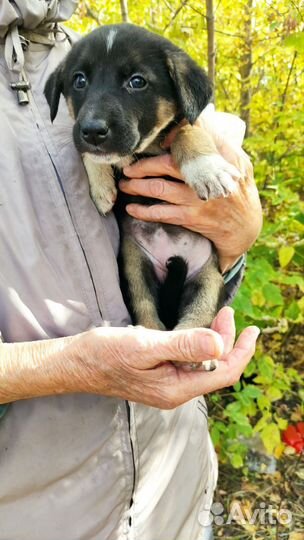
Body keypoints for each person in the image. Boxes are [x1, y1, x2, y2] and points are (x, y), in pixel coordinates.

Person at [0, 1, 262, 539]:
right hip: (39, 513)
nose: (94, 115)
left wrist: (235, 242)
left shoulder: (84, 47)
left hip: (177, 490)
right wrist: (69, 365)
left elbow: (197, 173)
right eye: (79, 88)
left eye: (135, 83)